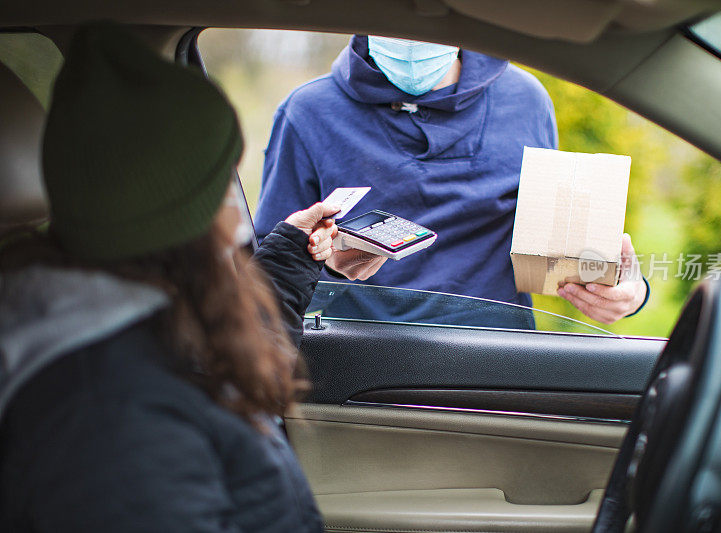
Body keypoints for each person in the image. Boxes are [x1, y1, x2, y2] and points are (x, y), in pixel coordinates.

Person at [0, 25, 336, 532]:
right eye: (223, 182)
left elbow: (215, 357)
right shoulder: (109, 420)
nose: (236, 211)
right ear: (181, 220)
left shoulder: (139, 319)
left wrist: (291, 255)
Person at [254, 35, 648, 325]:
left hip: (495, 365)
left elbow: (560, 244)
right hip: (360, 370)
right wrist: (332, 263)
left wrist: (629, 289)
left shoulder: (525, 100)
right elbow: (270, 273)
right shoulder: (308, 113)